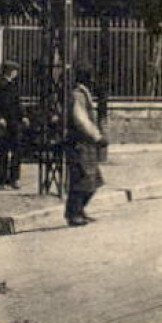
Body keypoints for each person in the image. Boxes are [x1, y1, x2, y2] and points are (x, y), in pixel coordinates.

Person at [65, 65, 109, 227]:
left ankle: (79, 210)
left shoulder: (84, 94)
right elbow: (81, 119)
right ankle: (73, 213)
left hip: (87, 143)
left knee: (93, 180)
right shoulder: (78, 95)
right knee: (82, 178)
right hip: (80, 142)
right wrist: (97, 136)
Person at [0, 60, 25, 190]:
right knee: (2, 151)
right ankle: (1, 181)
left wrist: (23, 116)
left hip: (14, 122)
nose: (16, 73)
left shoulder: (13, 85)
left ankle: (14, 178)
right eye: (15, 71)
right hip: (3, 122)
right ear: (10, 71)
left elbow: (18, 103)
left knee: (17, 150)